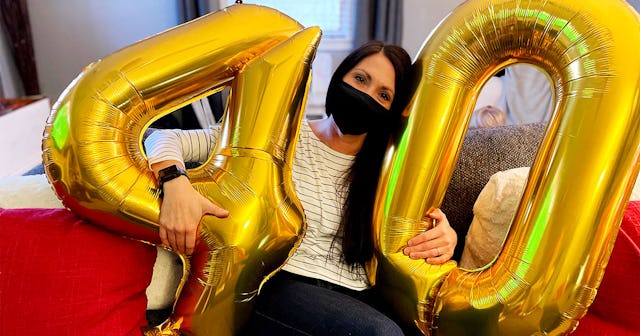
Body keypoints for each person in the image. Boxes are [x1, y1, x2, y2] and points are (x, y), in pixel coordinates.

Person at [144, 41, 458, 335]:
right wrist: (174, 181)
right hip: (279, 284)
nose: (366, 95)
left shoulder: (388, 170)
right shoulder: (278, 135)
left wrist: (445, 236)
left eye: (383, 95)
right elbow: (162, 137)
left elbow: (418, 229)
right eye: (360, 79)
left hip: (358, 295)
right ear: (339, 77)